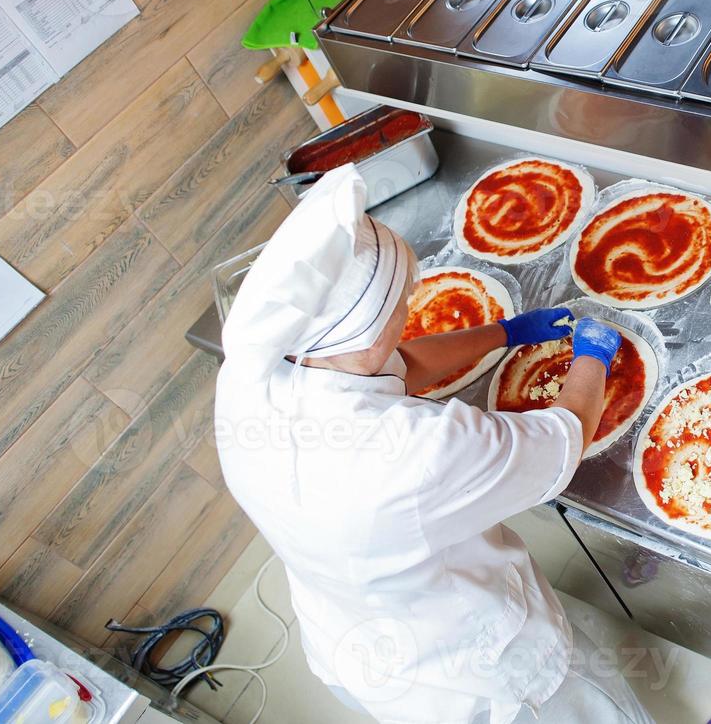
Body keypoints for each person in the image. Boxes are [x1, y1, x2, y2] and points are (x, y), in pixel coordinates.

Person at [214, 165, 652, 724]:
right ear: (369, 328)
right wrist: (593, 354)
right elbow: (562, 439)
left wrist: (507, 333)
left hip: (351, 644)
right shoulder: (413, 452)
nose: (409, 313)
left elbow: (398, 366)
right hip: (478, 675)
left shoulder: (255, 378)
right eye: (401, 307)